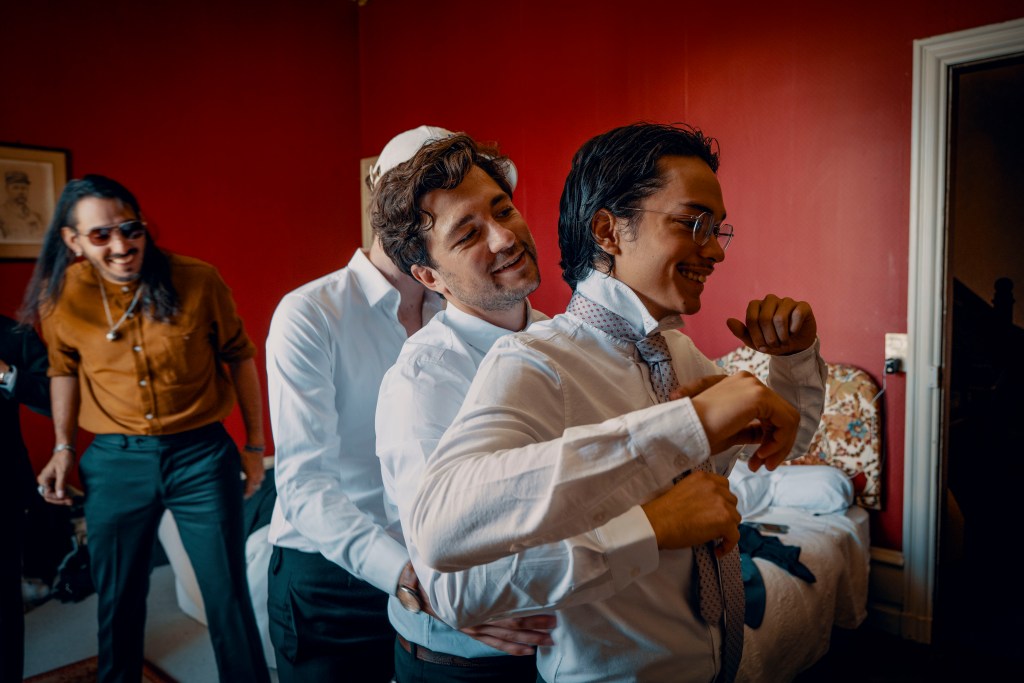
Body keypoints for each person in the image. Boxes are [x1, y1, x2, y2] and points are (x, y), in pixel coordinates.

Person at [407, 122, 828, 682]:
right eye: (693, 223)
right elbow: (444, 536)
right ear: (608, 230)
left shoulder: (680, 354)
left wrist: (794, 361)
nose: (713, 251)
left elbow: (777, 449)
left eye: (716, 229)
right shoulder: (535, 363)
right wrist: (655, 510)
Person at [375, 133, 687, 681]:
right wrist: (651, 529)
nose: (504, 238)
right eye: (468, 234)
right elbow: (453, 579)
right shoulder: (422, 381)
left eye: (503, 210)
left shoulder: (566, 341)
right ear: (428, 276)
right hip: (465, 665)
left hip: (571, 644)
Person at [265, 125, 551, 683]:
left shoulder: (467, 305)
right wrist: (411, 577)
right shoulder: (311, 314)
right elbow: (303, 485)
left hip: (440, 560)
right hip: (331, 574)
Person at [21, 174, 270, 683]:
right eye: (101, 235)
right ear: (73, 240)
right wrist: (63, 447)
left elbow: (240, 357)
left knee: (227, 596)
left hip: (201, 457)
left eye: (130, 229)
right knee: (118, 598)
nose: (120, 246)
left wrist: (253, 445)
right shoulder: (61, 296)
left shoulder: (198, 280)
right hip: (116, 462)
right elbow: (63, 371)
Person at [0, 313, 50, 682]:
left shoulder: (13, 333)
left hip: (2, 490)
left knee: (3, 608)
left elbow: (53, 396)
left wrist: (5, 375)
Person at [0, 170, 46, 241]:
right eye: (16, 188)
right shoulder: (1, 215)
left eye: (24, 188)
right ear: (7, 189)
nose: (21, 192)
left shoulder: (37, 217)